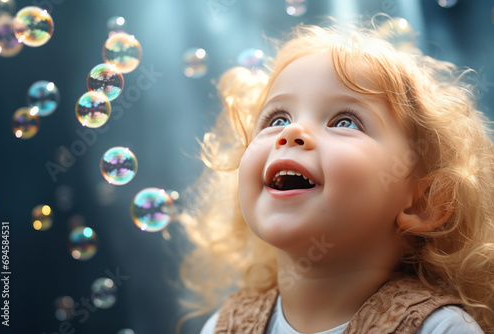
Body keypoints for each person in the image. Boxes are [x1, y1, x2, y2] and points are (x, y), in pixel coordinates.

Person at [177, 20, 494, 334]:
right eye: (277, 118)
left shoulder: (441, 329)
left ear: (422, 203)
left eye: (345, 122)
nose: (291, 132)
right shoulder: (223, 327)